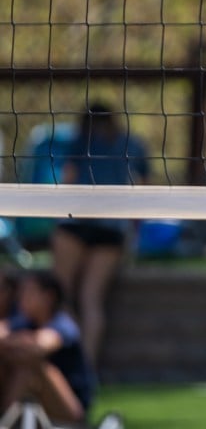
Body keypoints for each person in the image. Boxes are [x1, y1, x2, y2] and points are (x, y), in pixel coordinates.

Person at [50, 102, 150, 366]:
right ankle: (85, 367)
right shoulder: (133, 143)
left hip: (77, 222)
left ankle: (66, 368)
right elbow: (144, 189)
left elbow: (68, 179)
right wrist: (134, 234)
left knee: (63, 296)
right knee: (91, 300)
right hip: (111, 227)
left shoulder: (79, 140)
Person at [0, 269, 95, 427]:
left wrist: (10, 343)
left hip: (70, 408)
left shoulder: (63, 324)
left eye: (29, 292)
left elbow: (41, 346)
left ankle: (5, 418)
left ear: (48, 297)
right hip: (38, 403)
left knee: (32, 364)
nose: (21, 297)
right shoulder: (23, 322)